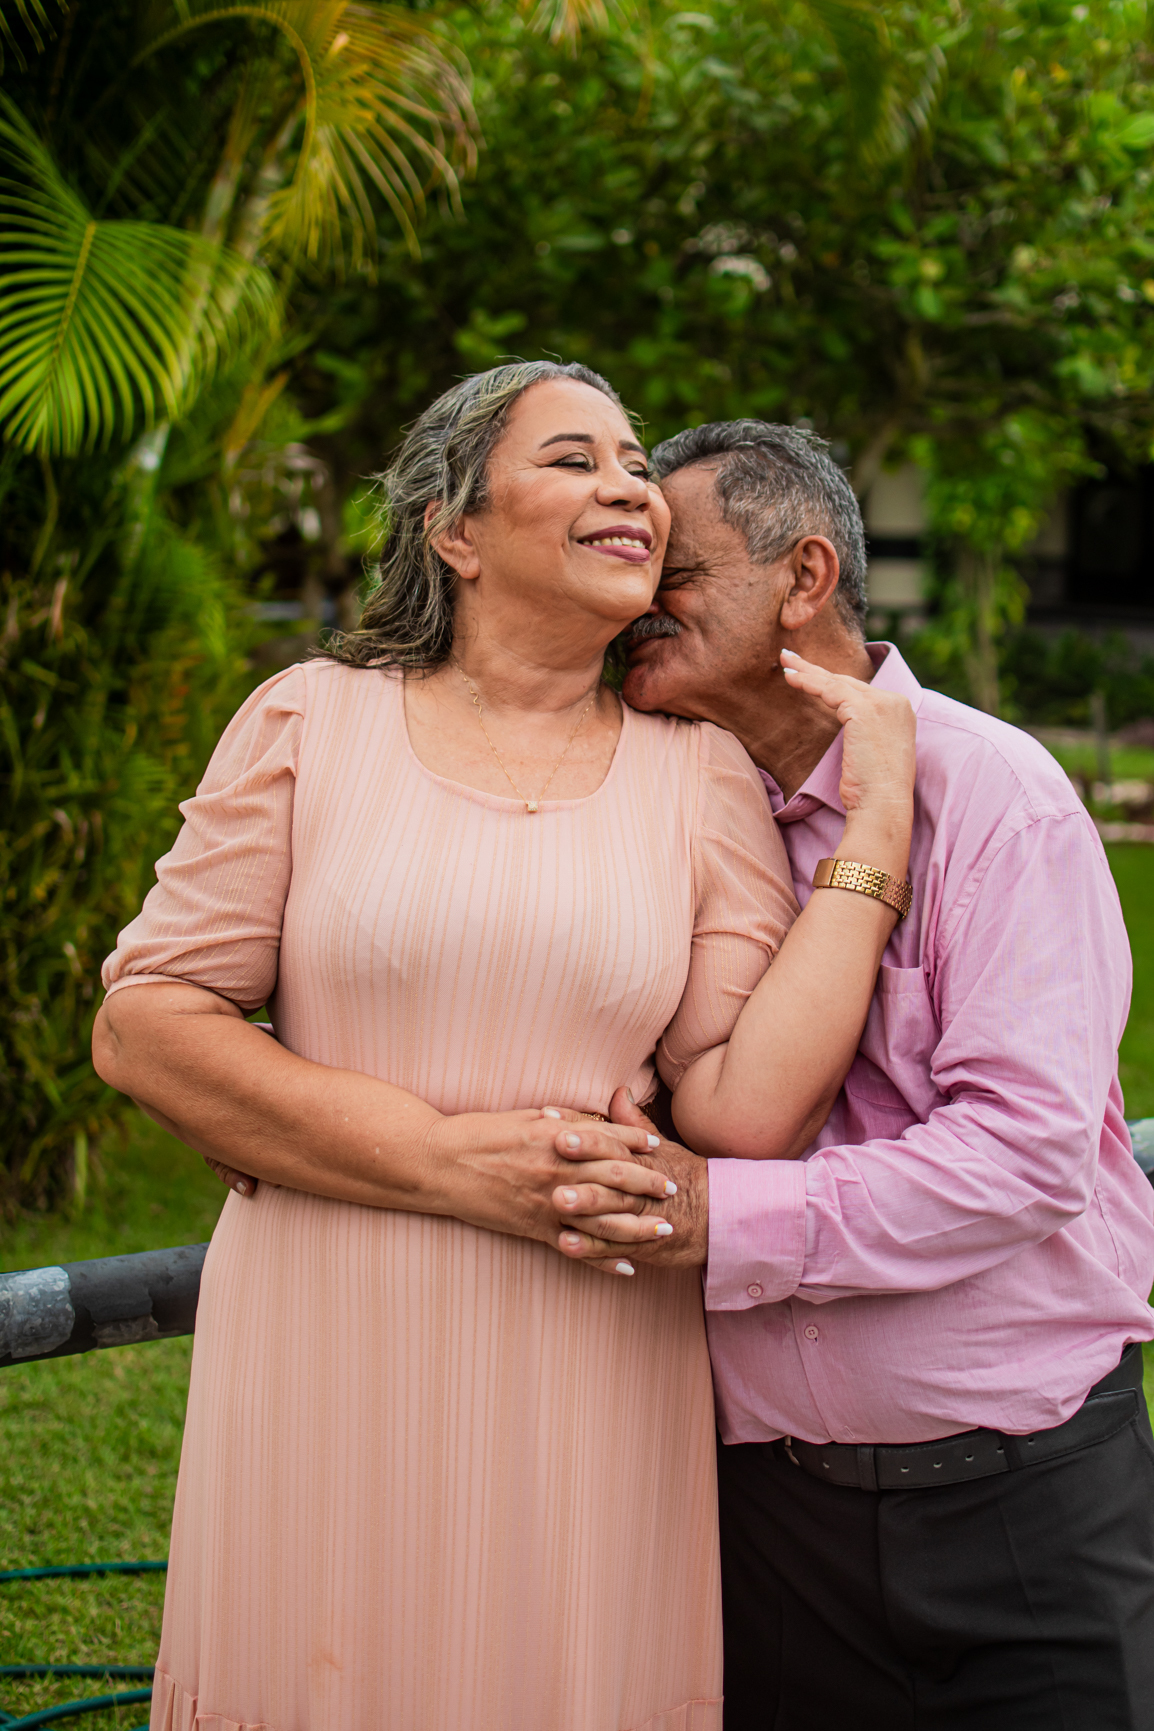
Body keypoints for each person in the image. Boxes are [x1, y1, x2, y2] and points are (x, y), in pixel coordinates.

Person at [93, 368, 918, 1731]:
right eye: (574, 458)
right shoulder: (312, 720)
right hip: (327, 1330)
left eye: (636, 462)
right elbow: (147, 1023)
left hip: (591, 1356)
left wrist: (875, 819)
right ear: (452, 529)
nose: (627, 486)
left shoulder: (696, 772)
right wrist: (438, 1161)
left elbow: (745, 1107)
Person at [565, 420, 1154, 1730]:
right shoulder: (656, 811)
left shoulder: (993, 795)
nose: (630, 611)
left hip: (1020, 1508)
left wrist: (718, 1215)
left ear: (806, 574)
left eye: (672, 577)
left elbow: (1021, 1155)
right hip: (760, 1521)